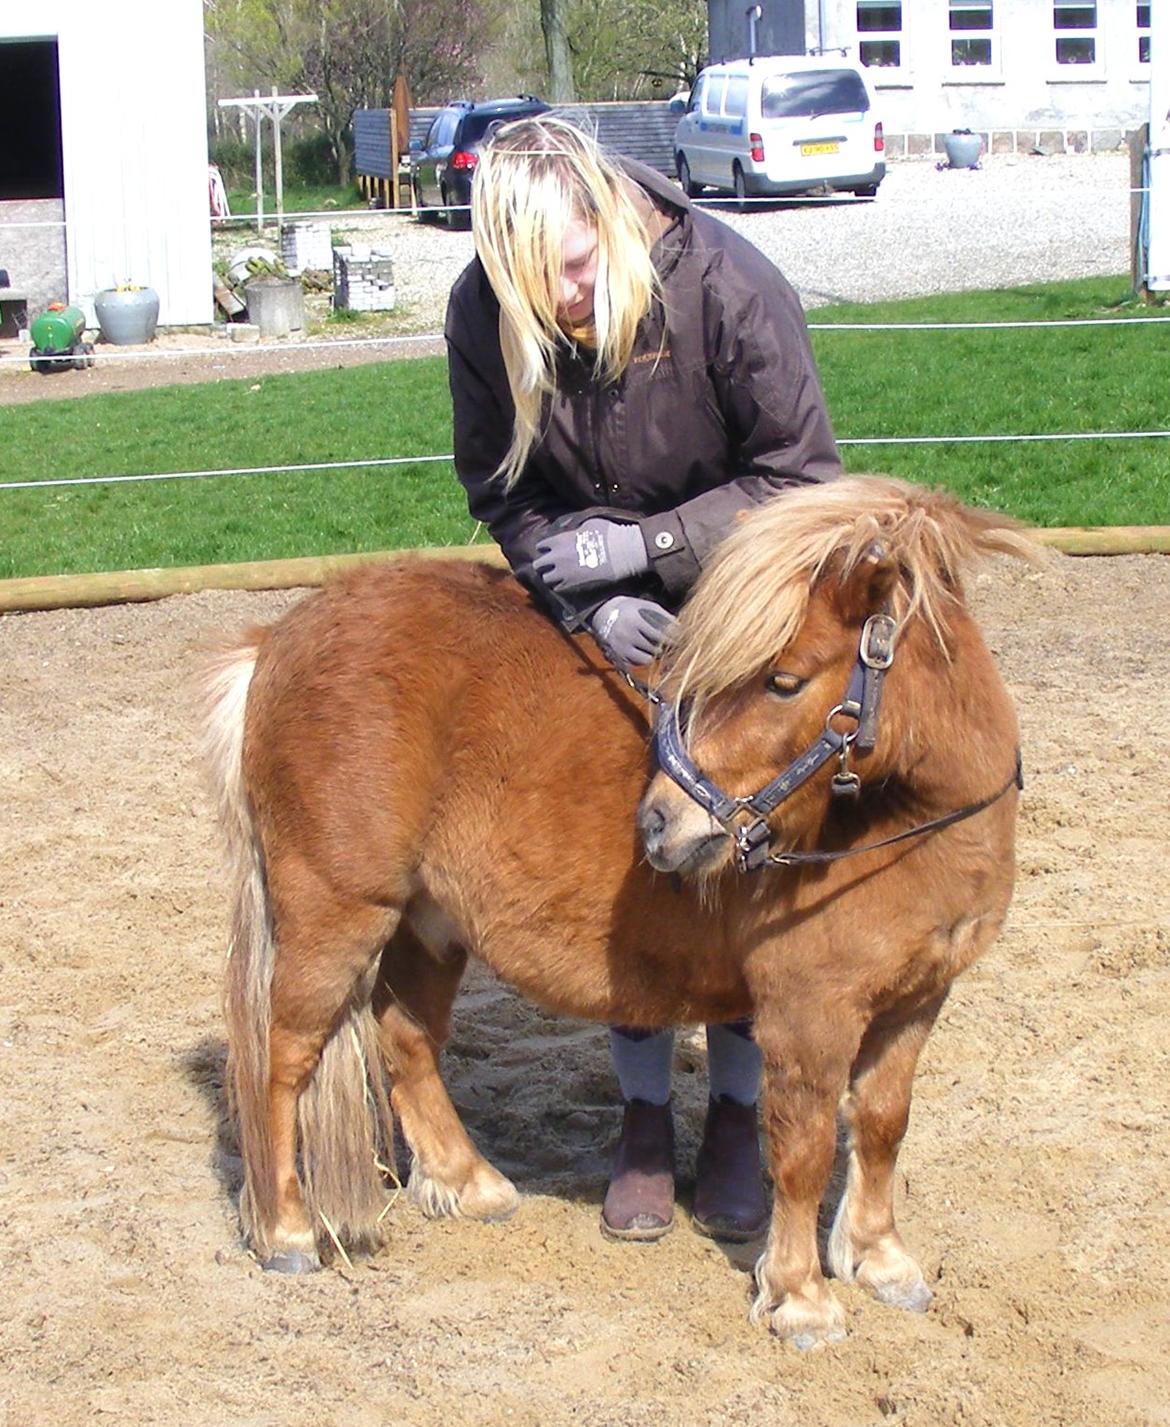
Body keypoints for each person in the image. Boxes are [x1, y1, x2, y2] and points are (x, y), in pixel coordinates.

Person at [445, 116, 842, 1243]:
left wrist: (645, 549)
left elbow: (801, 476)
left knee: (751, 853)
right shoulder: (485, 310)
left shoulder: (725, 281)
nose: (563, 296)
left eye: (573, 265)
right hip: (601, 615)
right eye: (533, 283)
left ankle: (732, 1109)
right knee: (626, 848)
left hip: (746, 598)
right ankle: (637, 1110)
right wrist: (578, 591)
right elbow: (503, 491)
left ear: (605, 210)